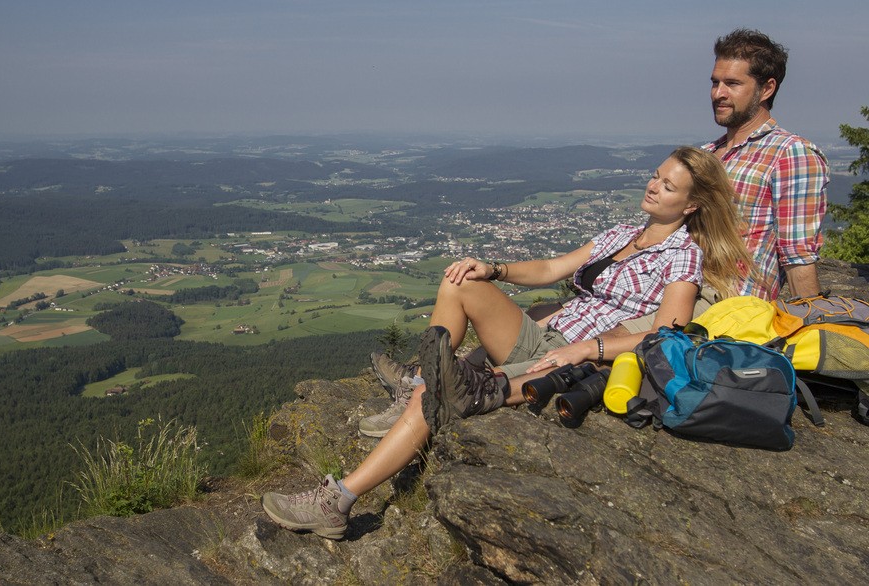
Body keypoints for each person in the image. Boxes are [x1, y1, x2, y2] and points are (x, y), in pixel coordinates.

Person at [261, 147, 753, 539]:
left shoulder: (682, 258)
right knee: (459, 281)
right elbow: (549, 270)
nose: (654, 185)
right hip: (545, 334)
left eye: (669, 185)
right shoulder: (623, 234)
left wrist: (586, 351)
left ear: (690, 205)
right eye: (655, 175)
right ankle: (425, 376)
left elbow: (665, 336)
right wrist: (492, 270)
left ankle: (338, 500)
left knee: (438, 397)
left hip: (570, 357)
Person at [705, 28, 828, 300]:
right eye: (715, 83)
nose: (718, 94)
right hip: (672, 289)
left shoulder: (791, 154)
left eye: (732, 84)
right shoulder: (707, 153)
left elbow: (798, 257)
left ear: (767, 88)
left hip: (727, 309)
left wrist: (812, 326)